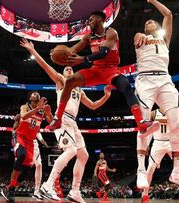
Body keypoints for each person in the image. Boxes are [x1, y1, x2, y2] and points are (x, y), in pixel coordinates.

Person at [20, 38, 111, 202]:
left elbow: (92, 105)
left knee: (83, 155)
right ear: (63, 73)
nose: (69, 70)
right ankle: (47, 186)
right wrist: (33, 51)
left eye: (71, 68)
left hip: (73, 123)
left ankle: (75, 192)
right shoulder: (61, 81)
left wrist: (105, 96)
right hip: (61, 119)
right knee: (71, 151)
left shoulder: (79, 89)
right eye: (66, 68)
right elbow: (46, 67)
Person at [46, 11, 159, 139]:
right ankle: (58, 118)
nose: (89, 22)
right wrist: (59, 52)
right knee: (70, 81)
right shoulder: (88, 37)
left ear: (100, 19)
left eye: (91, 19)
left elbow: (103, 53)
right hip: (95, 69)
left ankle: (141, 123)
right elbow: (72, 50)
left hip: (111, 69)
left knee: (126, 87)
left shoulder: (111, 33)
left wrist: (83, 59)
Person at [133, 0, 179, 189]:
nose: (148, 23)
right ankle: (141, 170)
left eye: (151, 22)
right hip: (145, 80)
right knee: (143, 123)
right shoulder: (140, 36)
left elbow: (168, 15)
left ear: (157, 26)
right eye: (145, 23)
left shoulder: (165, 39)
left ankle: (176, 171)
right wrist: (139, 34)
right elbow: (136, 38)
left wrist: (152, 1)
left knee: (175, 122)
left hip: (165, 79)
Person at [140, 109, 179, 203]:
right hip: (158, 143)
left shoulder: (174, 110)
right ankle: (144, 196)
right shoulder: (154, 113)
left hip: (173, 142)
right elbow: (145, 128)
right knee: (150, 169)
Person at [1, 91, 53, 203]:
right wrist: (37, 109)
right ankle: (11, 190)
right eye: (33, 98)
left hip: (30, 141)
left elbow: (52, 124)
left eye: (37, 99)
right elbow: (24, 116)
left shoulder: (42, 110)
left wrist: (49, 113)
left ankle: (10, 188)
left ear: (39, 100)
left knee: (25, 171)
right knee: (21, 155)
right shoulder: (24, 107)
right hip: (20, 136)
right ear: (30, 100)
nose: (35, 100)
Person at [11, 114, 49, 201]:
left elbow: (37, 131)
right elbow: (14, 130)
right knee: (23, 169)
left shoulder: (37, 118)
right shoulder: (23, 115)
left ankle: (36, 192)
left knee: (38, 165)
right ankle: (11, 187)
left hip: (33, 143)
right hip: (23, 142)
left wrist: (42, 141)